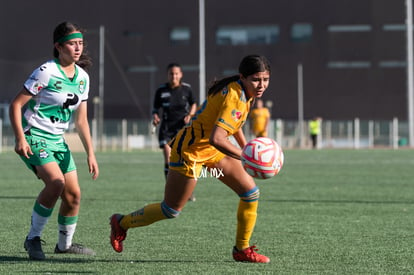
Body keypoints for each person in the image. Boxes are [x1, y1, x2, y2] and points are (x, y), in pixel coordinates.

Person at [110, 55, 272, 263]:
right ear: (243, 77)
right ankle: (121, 223)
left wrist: (247, 148)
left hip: (212, 153)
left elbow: (235, 127)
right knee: (170, 210)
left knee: (250, 193)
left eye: (265, 79)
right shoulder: (234, 97)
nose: (261, 85)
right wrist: (246, 157)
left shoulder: (243, 91)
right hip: (190, 153)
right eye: (256, 80)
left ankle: (242, 248)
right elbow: (217, 138)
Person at [9, 22, 99, 261]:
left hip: (57, 141)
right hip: (34, 135)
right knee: (56, 183)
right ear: (58, 47)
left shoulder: (83, 78)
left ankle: (64, 245)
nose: (77, 48)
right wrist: (19, 137)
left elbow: (81, 121)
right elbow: (16, 105)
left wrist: (90, 152)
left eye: (80, 43)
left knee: (73, 196)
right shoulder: (46, 71)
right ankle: (33, 239)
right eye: (72, 43)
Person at [152, 63, 197, 201]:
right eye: (171, 73)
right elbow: (155, 109)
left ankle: (186, 191)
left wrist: (190, 115)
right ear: (168, 75)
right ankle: (170, 190)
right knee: (168, 158)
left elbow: (194, 104)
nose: (174, 76)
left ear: (181, 74)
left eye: (176, 73)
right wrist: (155, 116)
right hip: (166, 128)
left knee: (185, 161)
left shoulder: (187, 89)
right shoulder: (161, 90)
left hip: (182, 129)